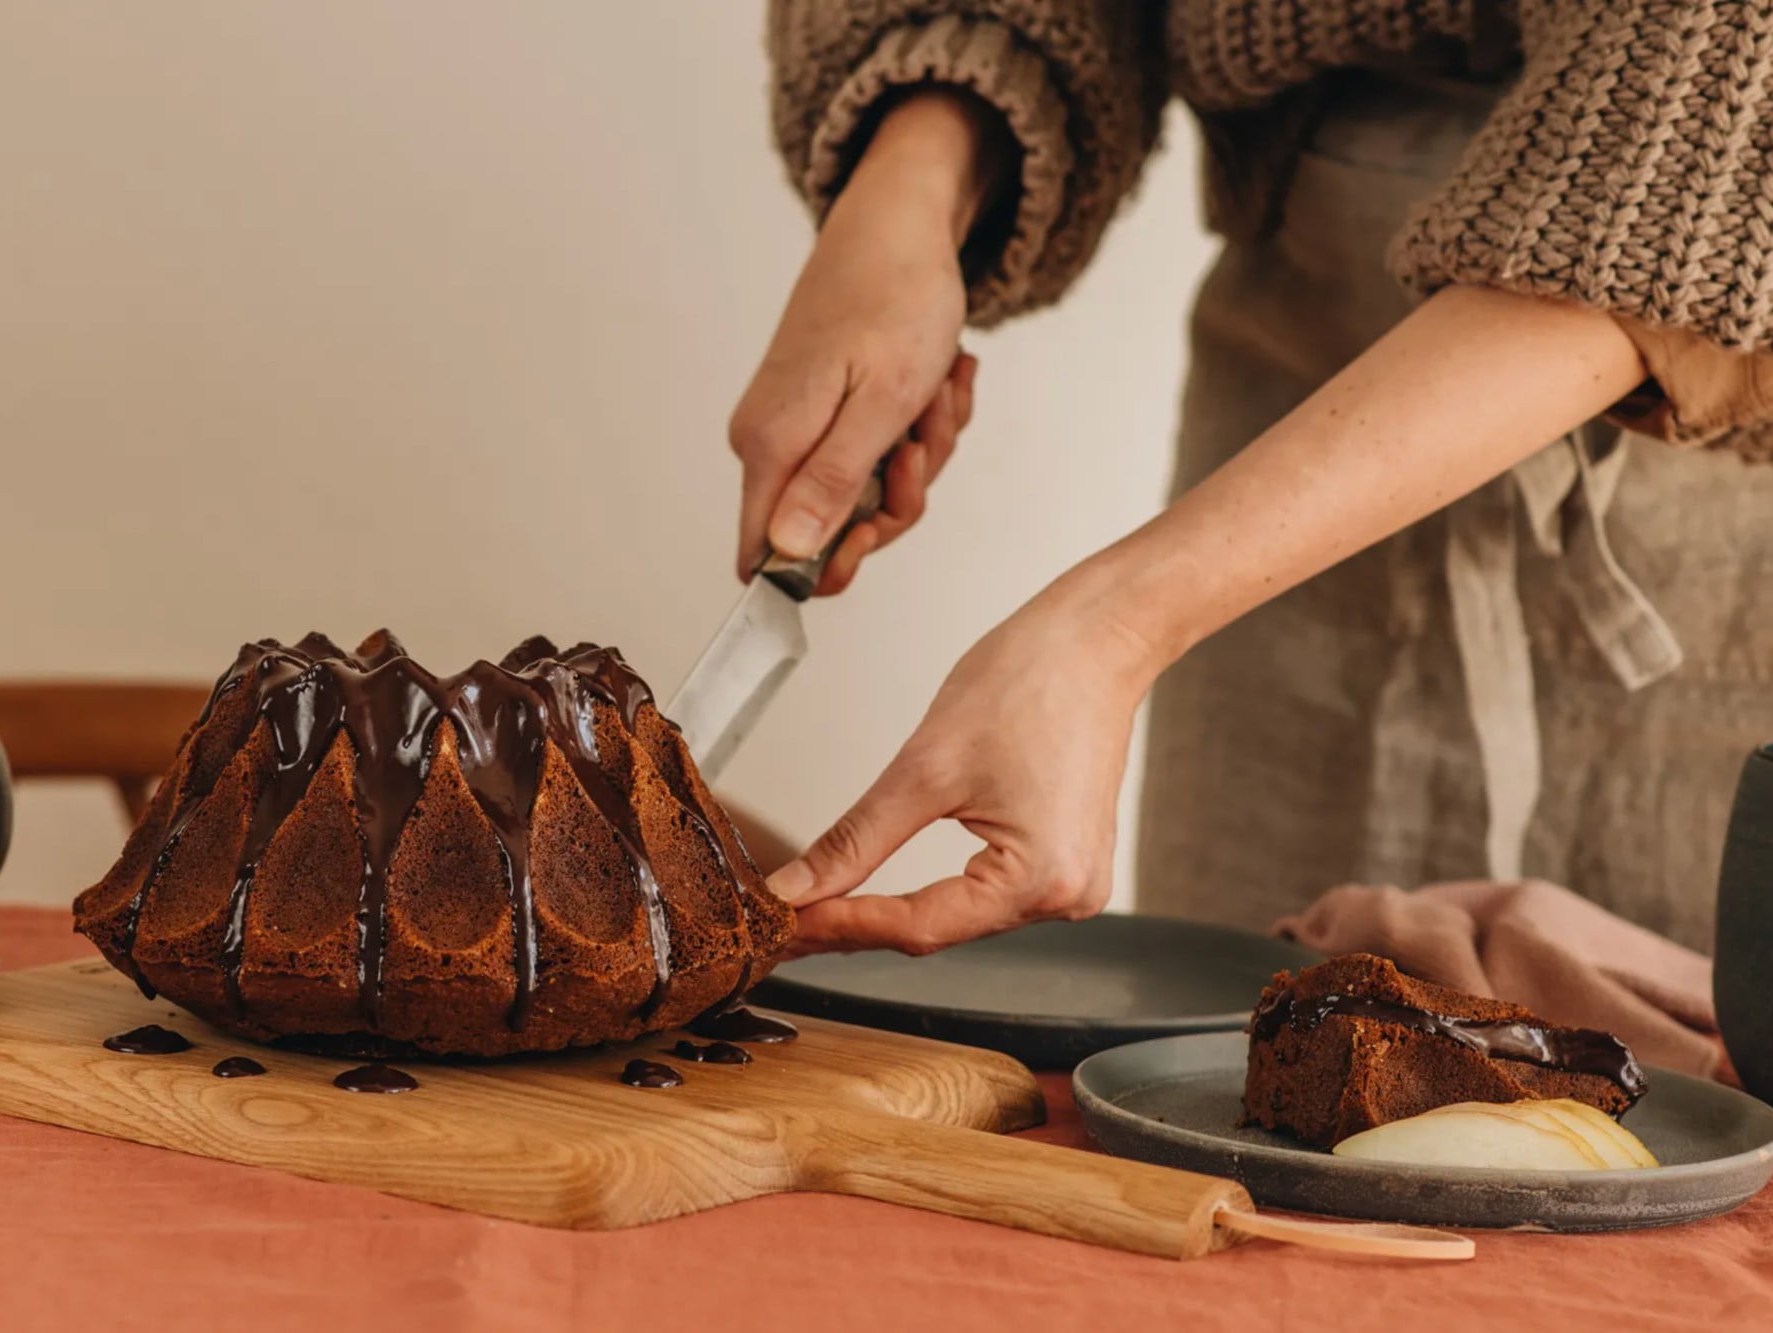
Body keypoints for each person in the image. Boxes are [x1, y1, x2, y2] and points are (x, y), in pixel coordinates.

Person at [732, 2, 1773, 960]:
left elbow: (1715, 140)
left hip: (1707, 494)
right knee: (1220, 1081)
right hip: (1275, 476)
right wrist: (907, 200)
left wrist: (1110, 630)